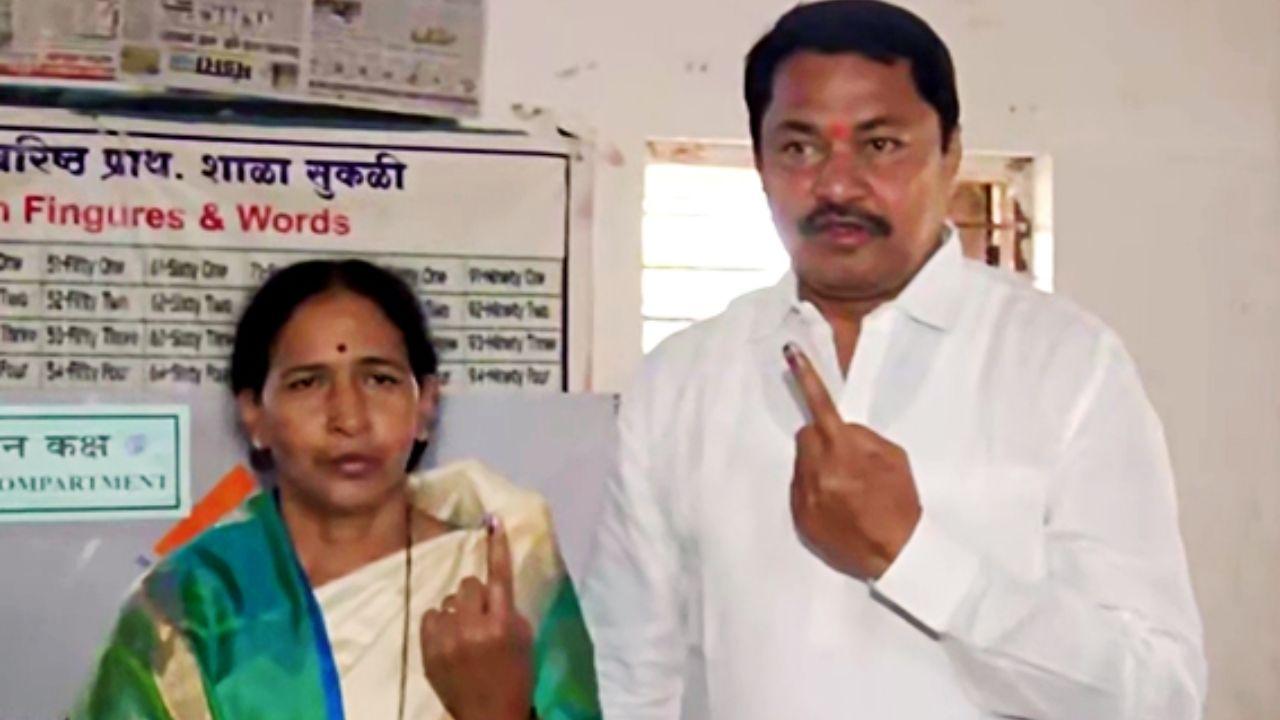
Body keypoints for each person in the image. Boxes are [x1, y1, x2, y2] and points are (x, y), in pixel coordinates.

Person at [581, 2, 1206, 718]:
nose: (837, 185)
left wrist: (915, 557)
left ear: (950, 155)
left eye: (879, 146)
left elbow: (1158, 696)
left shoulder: (1067, 368)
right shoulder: (682, 381)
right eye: (798, 147)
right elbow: (630, 677)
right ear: (759, 163)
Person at [73, 259, 600, 719]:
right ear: (254, 414)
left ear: (426, 406)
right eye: (307, 382)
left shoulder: (503, 581)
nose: (348, 417)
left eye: (380, 380)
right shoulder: (190, 607)